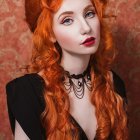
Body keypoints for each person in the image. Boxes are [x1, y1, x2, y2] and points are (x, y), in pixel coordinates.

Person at [6, 0, 128, 139]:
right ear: (50, 33)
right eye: (68, 20)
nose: (86, 28)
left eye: (89, 13)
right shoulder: (27, 94)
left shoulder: (113, 84)